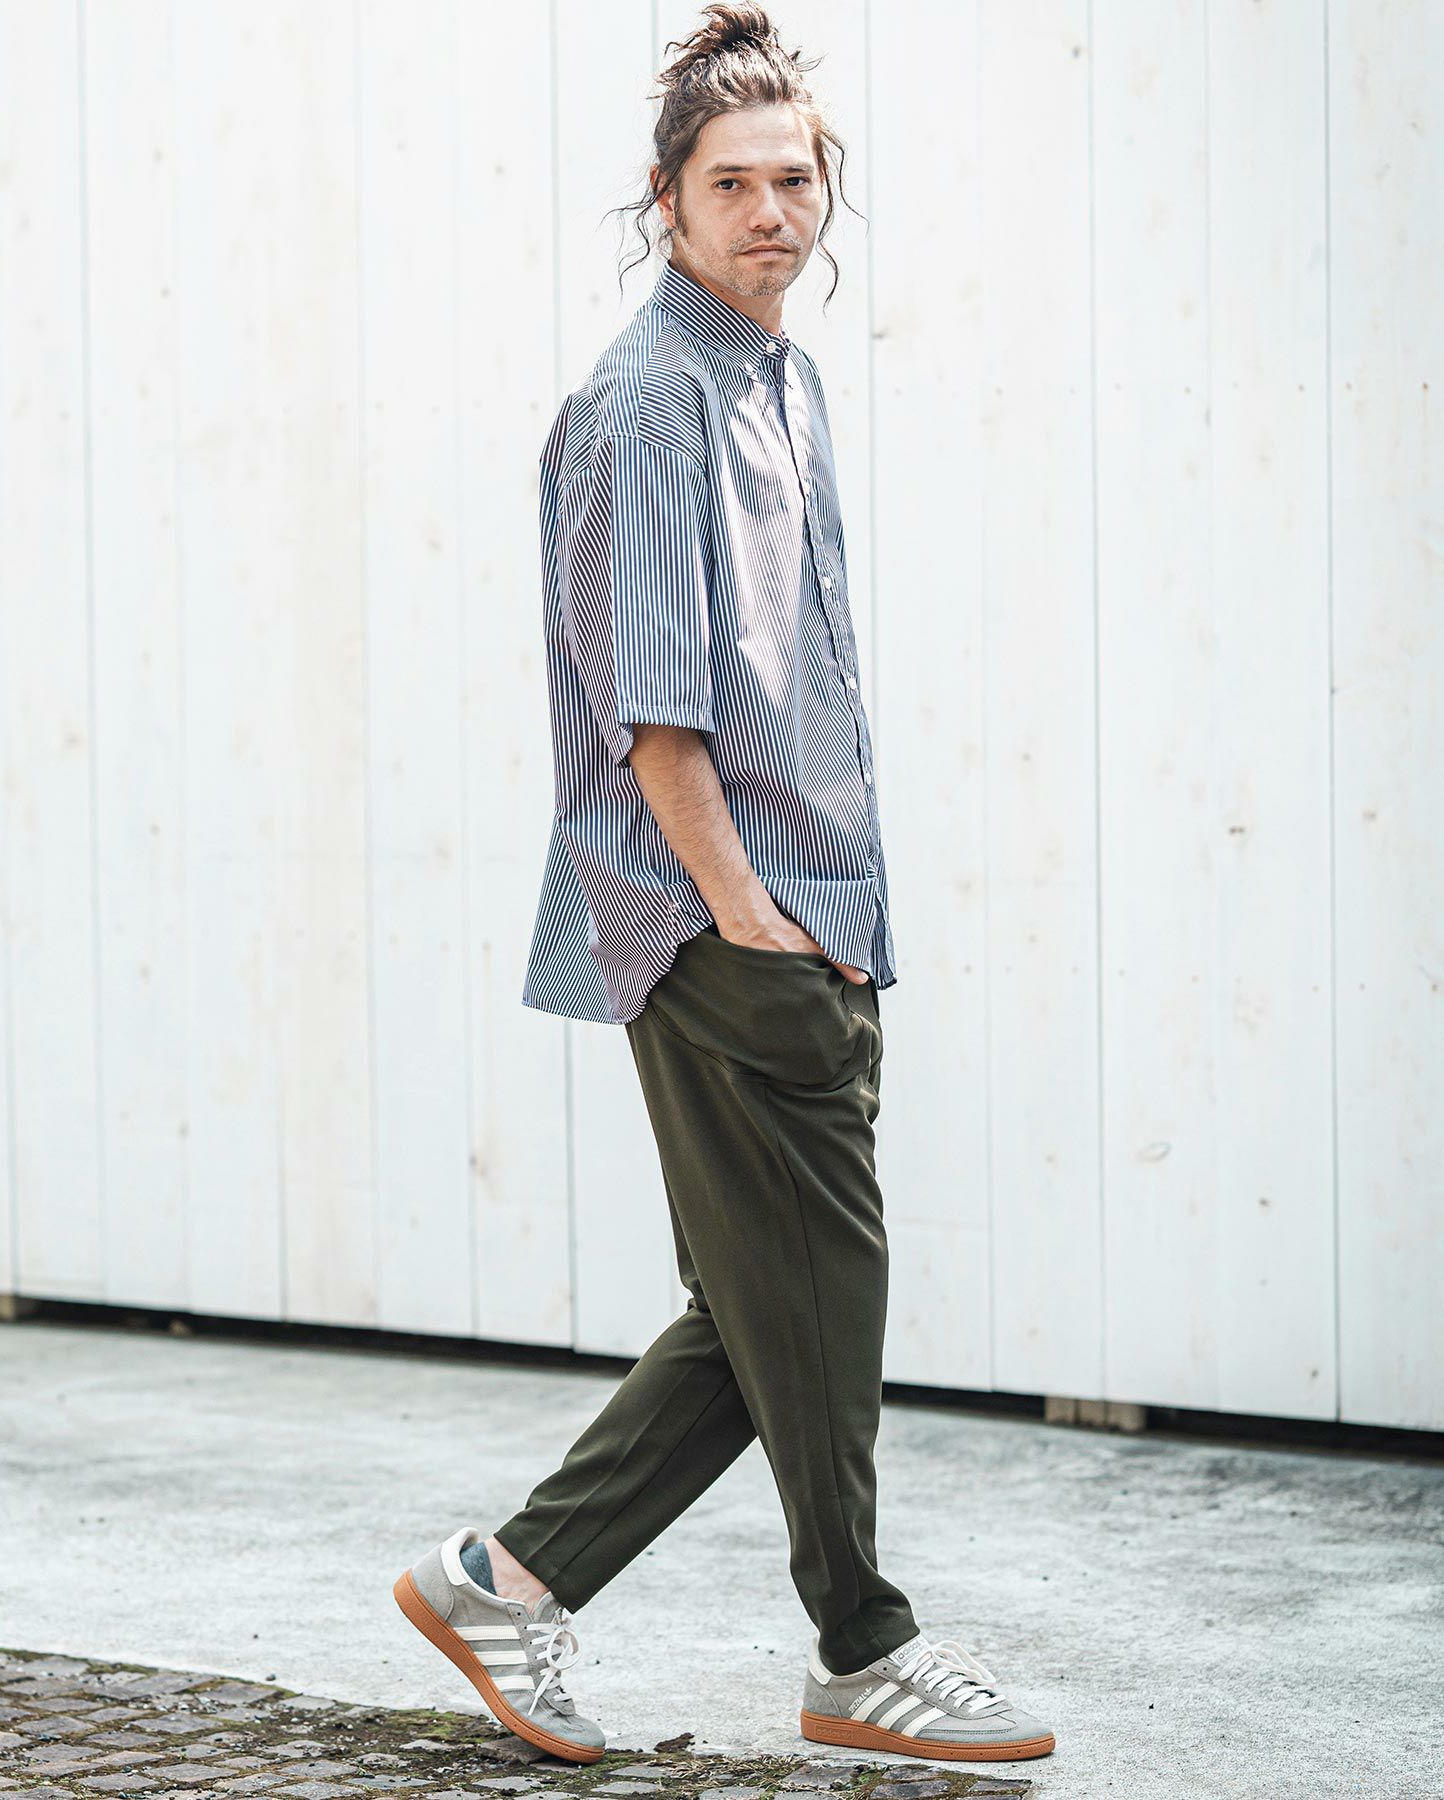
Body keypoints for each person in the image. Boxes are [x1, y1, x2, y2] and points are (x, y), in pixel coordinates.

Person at [393, 2, 1055, 1770]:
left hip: (805, 912)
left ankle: (502, 1583)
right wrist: (751, 919)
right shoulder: (648, 407)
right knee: (823, 1294)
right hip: (721, 923)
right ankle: (863, 1647)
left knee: (762, 1307)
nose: (772, 212)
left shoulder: (779, 378)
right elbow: (653, 713)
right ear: (667, 201)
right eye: (732, 184)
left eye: (796, 180)